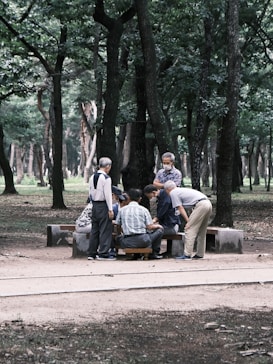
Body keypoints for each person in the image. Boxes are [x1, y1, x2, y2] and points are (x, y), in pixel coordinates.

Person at [164, 180, 212, 260]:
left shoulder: (173, 193)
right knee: (202, 230)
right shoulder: (181, 190)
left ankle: (187, 254)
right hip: (207, 203)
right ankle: (200, 253)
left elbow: (180, 208)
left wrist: (188, 222)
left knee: (189, 229)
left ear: (167, 189)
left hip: (201, 205)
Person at [116, 188, 164, 259]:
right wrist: (158, 226)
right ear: (140, 199)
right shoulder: (144, 210)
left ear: (128, 198)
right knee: (160, 230)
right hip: (143, 241)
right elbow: (149, 227)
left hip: (127, 242)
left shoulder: (122, 210)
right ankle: (154, 253)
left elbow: (118, 225)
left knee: (117, 237)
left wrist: (121, 233)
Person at [87, 157, 115, 261]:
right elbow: (108, 195)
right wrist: (110, 209)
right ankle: (103, 253)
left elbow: (90, 192)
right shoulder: (106, 178)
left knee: (95, 229)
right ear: (108, 167)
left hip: (94, 204)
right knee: (105, 229)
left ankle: (92, 253)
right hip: (103, 205)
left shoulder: (92, 177)